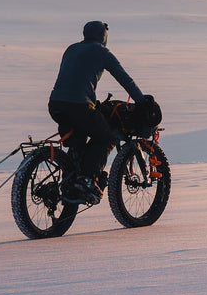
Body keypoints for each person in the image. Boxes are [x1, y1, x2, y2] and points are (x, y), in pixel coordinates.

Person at [48, 20, 146, 203]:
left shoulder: (71, 49)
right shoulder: (102, 52)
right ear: (104, 36)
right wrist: (142, 101)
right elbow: (125, 80)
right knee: (106, 137)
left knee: (79, 139)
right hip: (79, 105)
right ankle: (86, 180)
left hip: (55, 104)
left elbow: (74, 77)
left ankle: (71, 181)